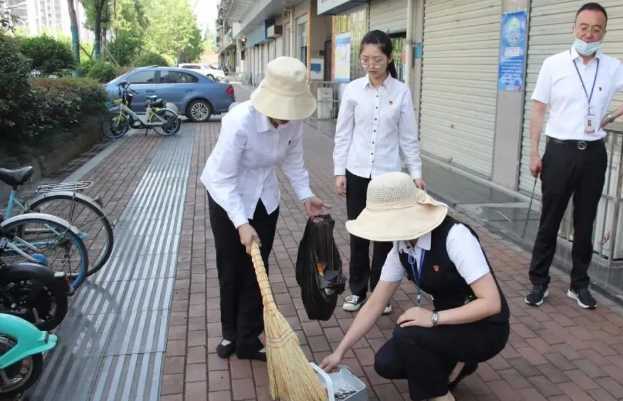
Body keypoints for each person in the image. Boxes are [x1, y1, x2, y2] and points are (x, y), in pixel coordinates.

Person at [320, 172, 509, 401]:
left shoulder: (455, 237)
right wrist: (340, 351)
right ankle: (456, 365)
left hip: (485, 327)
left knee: (408, 335)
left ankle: (440, 396)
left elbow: (491, 303)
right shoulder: (401, 246)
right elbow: (375, 304)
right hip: (449, 323)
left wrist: (433, 319)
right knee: (386, 364)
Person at [201, 57, 328, 361]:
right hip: (227, 198)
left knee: (258, 269)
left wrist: (305, 195)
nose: (286, 118)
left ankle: (249, 337)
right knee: (231, 267)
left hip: (265, 200)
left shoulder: (293, 122)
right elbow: (223, 178)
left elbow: (294, 161)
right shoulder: (239, 121)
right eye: (281, 110)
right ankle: (230, 333)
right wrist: (240, 223)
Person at [525, 2, 623, 309]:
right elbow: (539, 108)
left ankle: (579, 284)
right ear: (574, 27)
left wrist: (610, 118)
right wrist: (533, 151)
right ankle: (539, 283)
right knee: (550, 221)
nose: (589, 34)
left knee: (585, 223)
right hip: (559, 152)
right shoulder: (554, 64)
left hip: (594, 153)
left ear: (603, 33)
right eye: (584, 27)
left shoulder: (613, 67)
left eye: (596, 29)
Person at [333, 30, 425, 315]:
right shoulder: (352, 90)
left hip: (387, 177)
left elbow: (409, 137)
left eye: (377, 59)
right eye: (365, 59)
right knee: (359, 234)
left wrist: (416, 173)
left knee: (385, 238)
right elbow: (342, 135)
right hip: (358, 171)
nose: (371, 65)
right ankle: (358, 291)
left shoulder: (401, 92)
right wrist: (339, 172)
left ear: (389, 58)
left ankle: (379, 293)